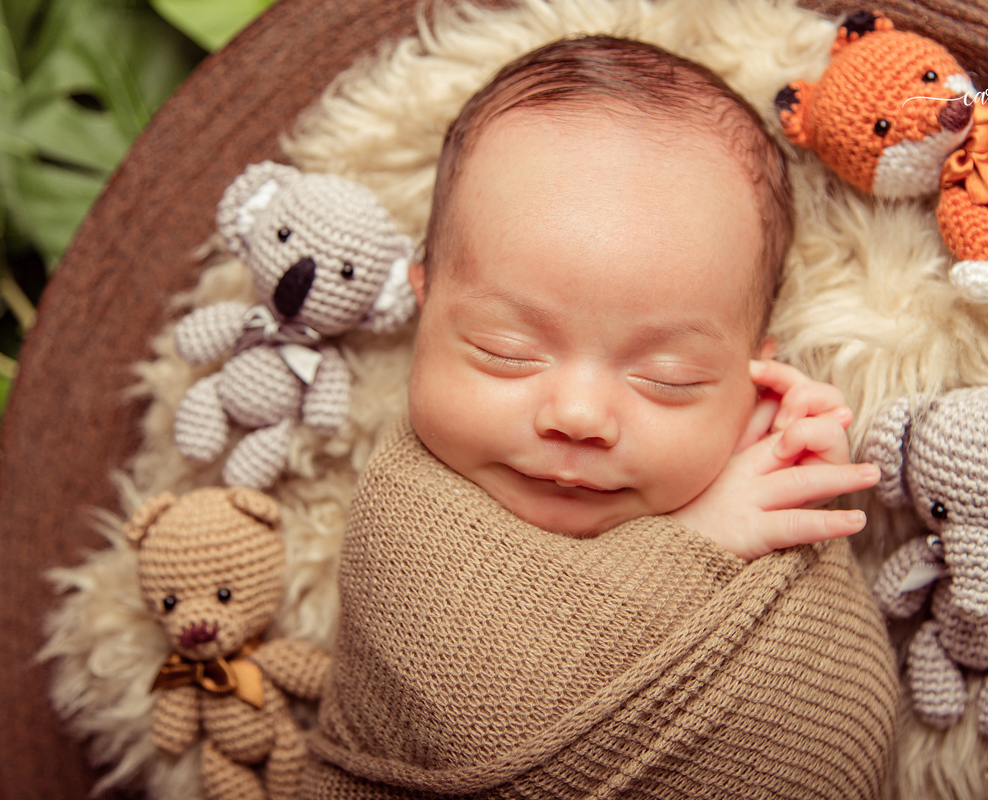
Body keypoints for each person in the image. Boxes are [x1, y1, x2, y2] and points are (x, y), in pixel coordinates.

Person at [304, 35, 898, 800]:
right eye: (506, 350)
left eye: (669, 378)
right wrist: (699, 544)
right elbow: (476, 714)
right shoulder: (408, 513)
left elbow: (834, 723)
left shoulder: (748, 484)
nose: (579, 416)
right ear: (422, 310)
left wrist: (788, 468)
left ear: (754, 377)